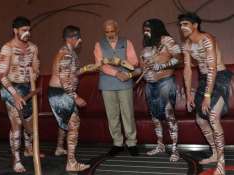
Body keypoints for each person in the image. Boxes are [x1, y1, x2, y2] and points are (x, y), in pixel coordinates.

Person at [178, 12, 232, 175]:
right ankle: (215, 153)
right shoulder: (186, 45)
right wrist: (188, 94)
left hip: (219, 76)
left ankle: (221, 162)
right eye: (180, 25)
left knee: (213, 117)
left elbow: (212, 68)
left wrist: (207, 96)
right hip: (204, 79)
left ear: (195, 25)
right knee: (200, 119)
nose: (182, 28)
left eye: (185, 24)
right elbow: (187, 70)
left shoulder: (207, 39)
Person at [0, 16, 44, 173]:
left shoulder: (33, 48)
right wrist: (15, 95)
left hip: (28, 89)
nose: (27, 33)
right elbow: (2, 75)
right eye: (24, 30)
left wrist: (35, 74)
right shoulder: (7, 48)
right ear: (15, 30)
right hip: (11, 89)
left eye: (29, 30)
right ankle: (16, 159)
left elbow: (37, 67)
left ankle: (29, 149)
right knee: (17, 125)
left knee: (29, 123)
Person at [94, 19, 139, 156]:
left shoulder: (127, 42)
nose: (110, 34)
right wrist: (116, 72)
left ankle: (131, 143)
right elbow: (99, 64)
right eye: (107, 32)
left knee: (128, 113)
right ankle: (117, 143)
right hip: (107, 84)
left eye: (112, 31)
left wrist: (123, 66)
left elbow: (134, 61)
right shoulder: (98, 44)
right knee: (112, 115)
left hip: (125, 81)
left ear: (117, 29)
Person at [48, 25, 90, 171]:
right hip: (61, 92)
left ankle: (60, 148)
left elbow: (73, 72)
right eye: (78, 37)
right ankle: (71, 163)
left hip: (59, 92)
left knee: (64, 121)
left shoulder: (68, 52)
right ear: (71, 38)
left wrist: (86, 68)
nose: (80, 40)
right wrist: (76, 97)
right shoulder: (66, 54)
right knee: (74, 124)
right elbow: (65, 79)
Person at [140, 18, 182, 161]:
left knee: (169, 115)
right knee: (155, 117)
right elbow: (143, 65)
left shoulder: (167, 40)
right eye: (144, 29)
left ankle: (175, 149)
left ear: (156, 28)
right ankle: (160, 145)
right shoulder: (147, 44)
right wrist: (142, 67)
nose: (146, 32)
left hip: (165, 82)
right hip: (150, 85)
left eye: (148, 29)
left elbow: (179, 58)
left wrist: (162, 66)